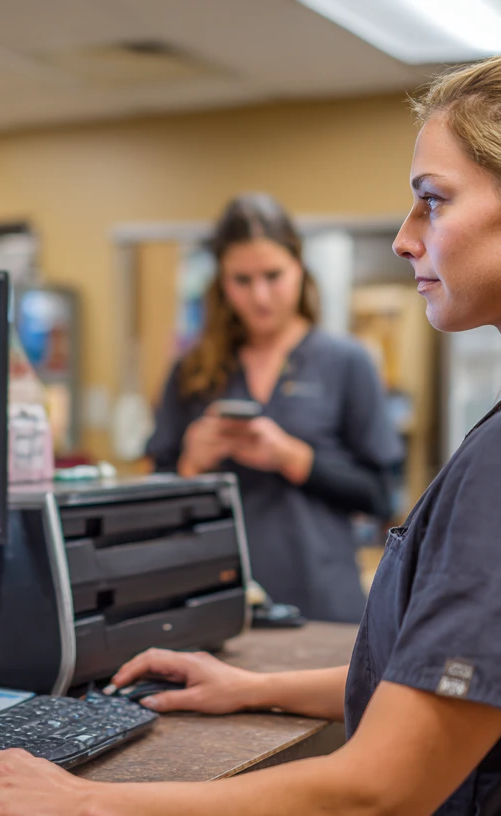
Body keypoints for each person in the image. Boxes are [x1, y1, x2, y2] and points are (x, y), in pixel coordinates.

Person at [0, 30, 501, 816]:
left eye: (433, 201)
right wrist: (254, 688)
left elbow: (378, 790)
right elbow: (459, 682)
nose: (405, 239)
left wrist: (82, 803)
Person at [144, 192, 403, 623]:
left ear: (300, 269)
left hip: (320, 603)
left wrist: (292, 458)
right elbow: (151, 504)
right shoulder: (192, 371)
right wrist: (191, 463)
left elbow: (380, 496)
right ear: (221, 284)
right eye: (241, 281)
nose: (259, 296)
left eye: (273, 275)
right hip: (213, 602)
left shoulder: (346, 361)